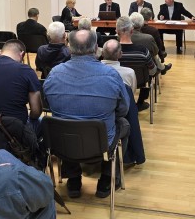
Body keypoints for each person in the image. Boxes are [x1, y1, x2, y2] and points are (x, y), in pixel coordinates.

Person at [43, 29, 130, 199]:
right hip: (101, 145)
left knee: (65, 123)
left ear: (69, 47)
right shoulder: (111, 75)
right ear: (96, 48)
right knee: (124, 124)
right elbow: (123, 109)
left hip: (62, 144)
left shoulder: (54, 74)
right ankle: (107, 179)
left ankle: (73, 179)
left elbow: (47, 105)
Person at [0, 39, 42, 129]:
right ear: (21, 54)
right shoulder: (26, 71)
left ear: (0, 52)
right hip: (14, 130)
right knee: (40, 121)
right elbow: (36, 111)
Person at [101, 39, 146, 165]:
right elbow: (131, 93)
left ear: (102, 53)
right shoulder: (129, 72)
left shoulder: (92, 71)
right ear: (120, 54)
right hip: (118, 113)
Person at [117, 16, 157, 112]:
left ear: (117, 32)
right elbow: (153, 71)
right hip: (140, 82)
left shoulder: (111, 50)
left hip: (116, 82)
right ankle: (140, 102)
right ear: (132, 31)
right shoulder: (142, 51)